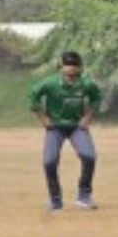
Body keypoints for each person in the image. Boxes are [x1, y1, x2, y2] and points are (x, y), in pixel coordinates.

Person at [29, 50, 102, 211]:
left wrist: (88, 117)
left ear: (80, 67)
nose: (71, 68)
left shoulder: (86, 83)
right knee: (49, 161)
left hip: (77, 127)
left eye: (74, 65)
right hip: (55, 127)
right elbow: (33, 97)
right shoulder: (50, 83)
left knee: (89, 156)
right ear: (61, 66)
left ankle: (84, 197)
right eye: (67, 65)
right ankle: (55, 201)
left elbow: (97, 98)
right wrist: (43, 119)